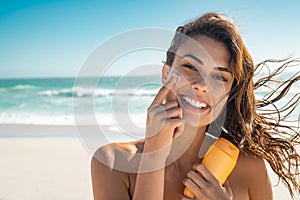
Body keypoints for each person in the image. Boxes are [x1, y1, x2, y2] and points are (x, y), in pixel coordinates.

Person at [91, 12, 300, 200]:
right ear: (166, 73)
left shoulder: (250, 168)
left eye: (219, 76)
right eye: (190, 66)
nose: (201, 86)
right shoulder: (112, 163)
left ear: (229, 93)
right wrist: (154, 156)